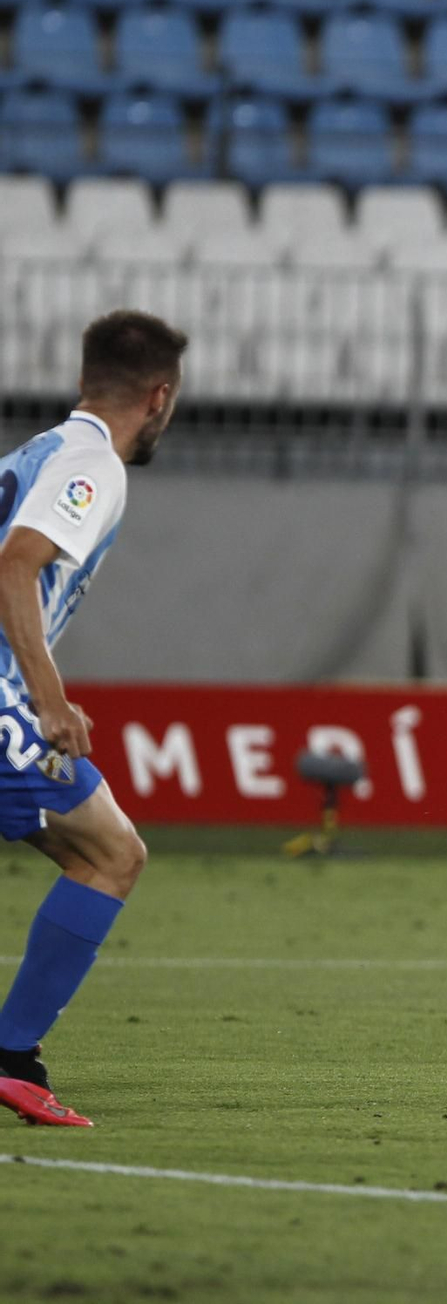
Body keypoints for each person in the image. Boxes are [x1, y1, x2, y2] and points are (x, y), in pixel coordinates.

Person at [0, 309, 187, 1126]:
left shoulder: (39, 451)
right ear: (159, 397)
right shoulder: (93, 466)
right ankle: (11, 1056)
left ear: (84, 381)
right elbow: (12, 565)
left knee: (108, 849)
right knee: (112, 853)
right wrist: (47, 698)